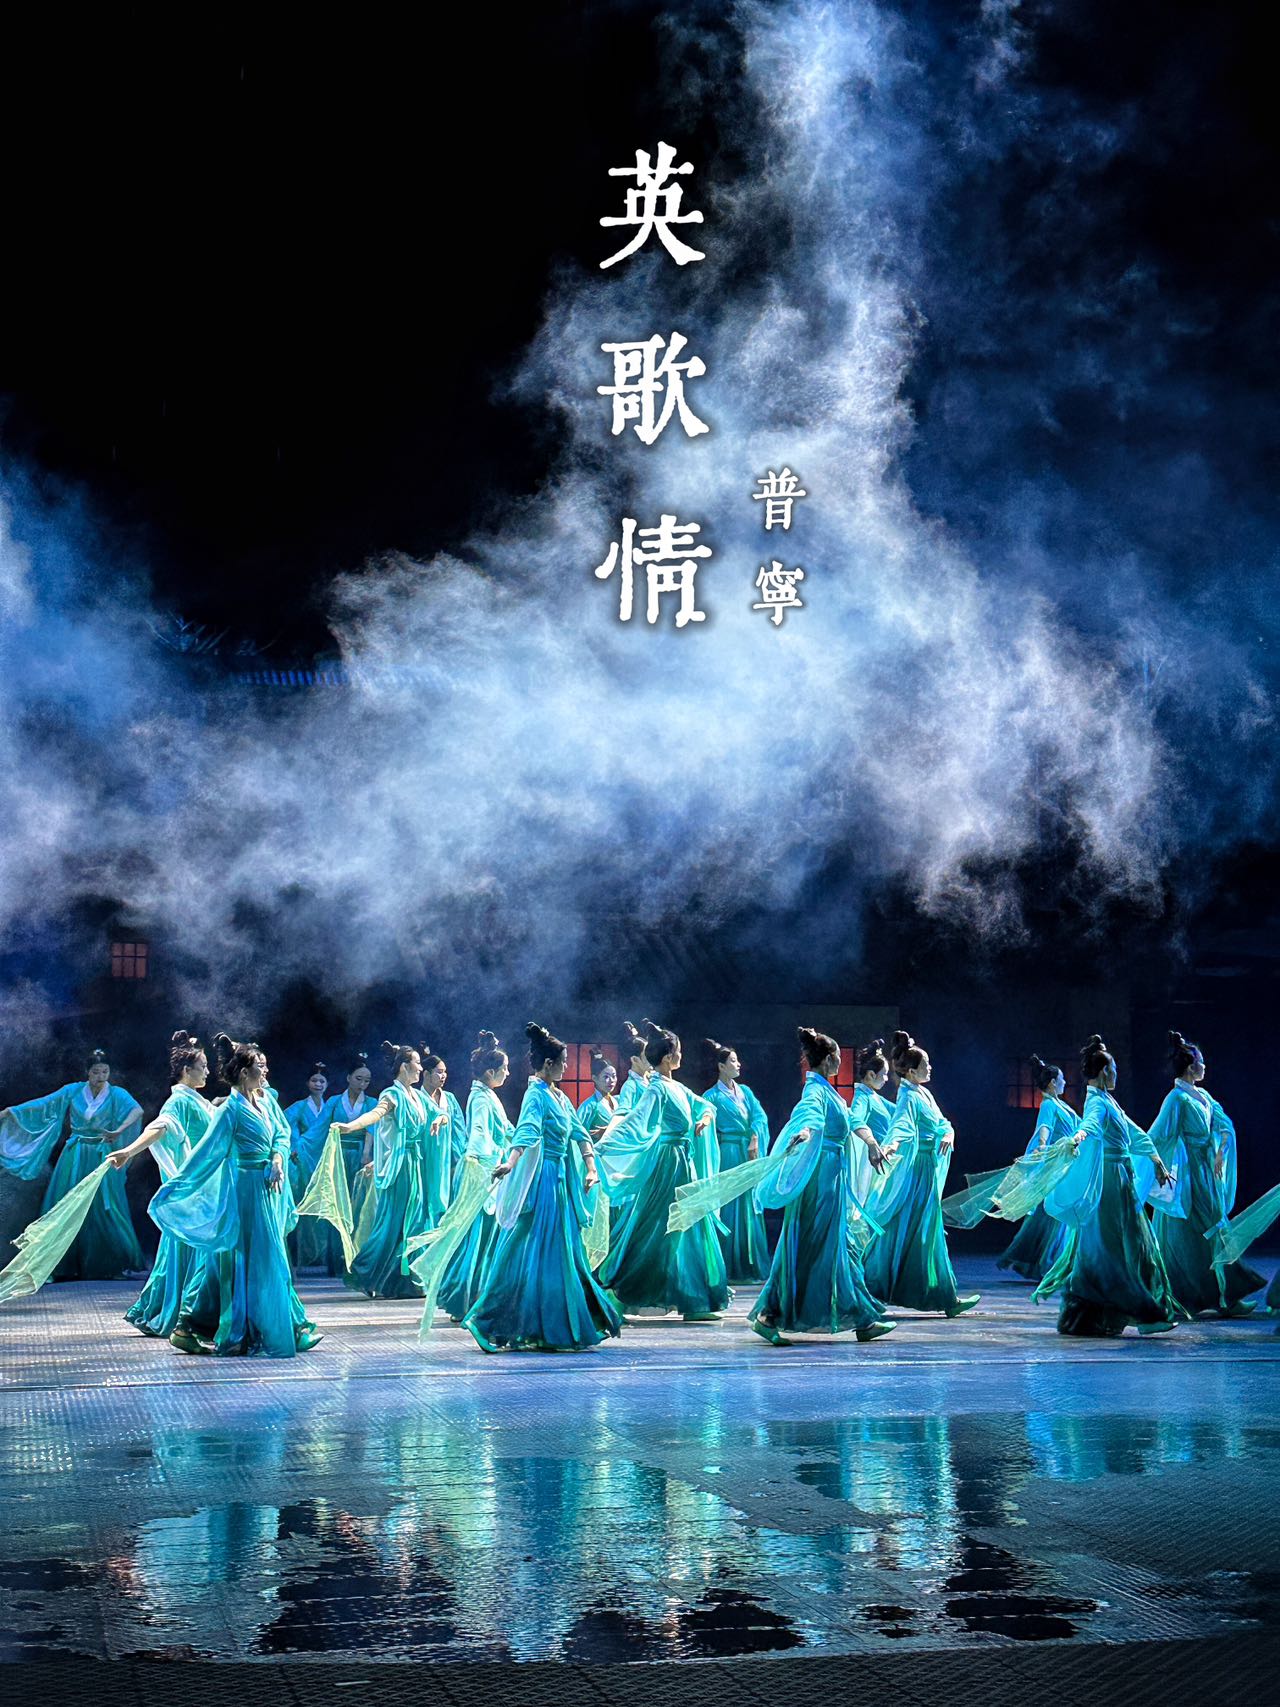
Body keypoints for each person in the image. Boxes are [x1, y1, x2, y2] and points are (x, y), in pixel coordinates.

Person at [150, 1034, 321, 1356]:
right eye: (259, 1067)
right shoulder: (229, 1110)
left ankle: (283, 1324)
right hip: (243, 1191)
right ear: (244, 1072)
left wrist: (277, 1158)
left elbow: (281, 1134)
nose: (265, 1071)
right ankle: (264, 1326)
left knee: (258, 1259)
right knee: (249, 1259)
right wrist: (174, 1188)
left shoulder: (265, 1102)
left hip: (266, 1190)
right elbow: (206, 1155)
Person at [460, 1023, 623, 1353]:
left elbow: (578, 1132)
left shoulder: (558, 1096)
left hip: (561, 1180)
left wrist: (591, 1168)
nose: (566, 1067)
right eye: (563, 1062)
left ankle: (557, 1322)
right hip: (544, 1180)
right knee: (529, 1250)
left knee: (561, 1253)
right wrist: (511, 1162)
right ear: (548, 1064)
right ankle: (487, 1319)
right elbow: (527, 1130)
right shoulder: (535, 1094)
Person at [749, 1028, 894, 1346]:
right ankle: (769, 1314)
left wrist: (871, 1142)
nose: (841, 1061)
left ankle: (863, 1319)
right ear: (828, 1059)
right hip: (820, 1183)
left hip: (832, 1180)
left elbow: (851, 1121)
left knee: (836, 1246)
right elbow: (808, 1116)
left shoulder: (828, 1091)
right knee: (810, 1246)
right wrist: (803, 1132)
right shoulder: (815, 1091)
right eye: (838, 1057)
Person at [1035, 1035, 1182, 1338]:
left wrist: (1155, 1159)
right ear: (1104, 1071)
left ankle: (1106, 1315)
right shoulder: (1097, 1102)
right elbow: (1089, 1124)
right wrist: (1077, 1138)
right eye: (1113, 1068)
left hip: (1121, 1178)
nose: (1116, 1073)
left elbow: (1134, 1132)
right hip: (1111, 1181)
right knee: (1116, 1247)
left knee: (1127, 1245)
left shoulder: (1108, 1100)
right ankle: (1146, 1312)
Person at [596, 1020, 730, 1322]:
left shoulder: (676, 1087)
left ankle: (696, 1300)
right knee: (656, 1228)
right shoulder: (656, 1089)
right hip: (668, 1165)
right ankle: (621, 1292)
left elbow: (704, 1106)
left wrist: (704, 1119)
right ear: (669, 1057)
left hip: (684, 1163)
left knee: (691, 1227)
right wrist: (604, 1146)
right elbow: (635, 1122)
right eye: (678, 1051)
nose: (681, 1055)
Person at [113, 1031, 221, 1345]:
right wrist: (129, 1151)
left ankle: (188, 1312)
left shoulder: (196, 1100)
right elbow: (160, 1127)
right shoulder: (178, 1101)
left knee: (187, 1248)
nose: (208, 1072)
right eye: (203, 1066)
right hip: (193, 1189)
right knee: (191, 1248)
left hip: (204, 1187)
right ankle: (183, 1314)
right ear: (187, 1070)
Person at [862, 1031, 979, 1317]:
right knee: (913, 1228)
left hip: (927, 1167)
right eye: (926, 1064)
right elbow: (901, 1126)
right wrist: (890, 1146)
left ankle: (942, 1295)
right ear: (912, 1072)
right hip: (917, 1170)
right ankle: (874, 1286)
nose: (931, 1068)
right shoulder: (907, 1096)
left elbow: (942, 1122)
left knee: (922, 1229)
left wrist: (948, 1134)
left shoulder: (923, 1093)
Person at [0, 1048, 143, 1279]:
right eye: (96, 1072)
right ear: (88, 1072)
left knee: (104, 1207)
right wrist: (12, 1112)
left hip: (101, 1155)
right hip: (75, 1155)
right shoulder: (74, 1090)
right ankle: (58, 1264)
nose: (101, 1076)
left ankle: (106, 1264)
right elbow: (45, 1104)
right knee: (65, 1202)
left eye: (105, 1071)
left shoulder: (116, 1094)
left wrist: (119, 1130)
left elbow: (137, 1111)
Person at [1147, 1031, 1262, 1317]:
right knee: (1198, 1231)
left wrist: (1221, 1149)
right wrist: (1155, 1163)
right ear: (1190, 1067)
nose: (1204, 1066)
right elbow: (1158, 1134)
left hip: (1206, 1170)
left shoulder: (1203, 1096)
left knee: (1214, 1225)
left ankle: (1226, 1295)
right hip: (1189, 1173)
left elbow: (1224, 1124)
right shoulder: (1176, 1099)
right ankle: (1192, 1296)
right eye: (1200, 1062)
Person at [335, 1040, 437, 1298]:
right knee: (394, 1221)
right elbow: (376, 1114)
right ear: (404, 1067)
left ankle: (403, 1281)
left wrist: (441, 1119)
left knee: (414, 1220)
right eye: (416, 1063)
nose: (420, 1068)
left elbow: (438, 1113)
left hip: (415, 1162)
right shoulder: (392, 1095)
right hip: (401, 1165)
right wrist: (351, 1126)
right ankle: (366, 1271)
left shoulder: (417, 1096)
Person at [437, 1032, 515, 1321]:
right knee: (477, 1238)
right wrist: (479, 1159)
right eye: (505, 1068)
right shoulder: (481, 1098)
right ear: (490, 1072)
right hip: (484, 1171)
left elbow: (505, 1129)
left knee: (483, 1239)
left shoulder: (487, 1095)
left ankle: (475, 1297)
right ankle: (464, 1297)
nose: (508, 1073)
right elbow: (479, 1132)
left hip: (490, 1167)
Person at [995, 1056, 1079, 1284]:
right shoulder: (1049, 1104)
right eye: (1061, 1079)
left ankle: (1046, 1259)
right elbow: (1045, 1126)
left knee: (1051, 1212)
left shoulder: (1060, 1104)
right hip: (1058, 1165)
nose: (1064, 1082)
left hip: (1067, 1163)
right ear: (1052, 1082)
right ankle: (1053, 1262)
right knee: (1055, 1211)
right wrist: (1042, 1145)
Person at [701, 1038, 771, 1282]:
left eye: (737, 1060)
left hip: (748, 1150)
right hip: (729, 1152)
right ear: (721, 1066)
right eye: (733, 1061)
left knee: (750, 1204)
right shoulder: (711, 1097)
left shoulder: (746, 1092)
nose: (738, 1064)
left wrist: (755, 1137)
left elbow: (760, 1116)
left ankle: (752, 1265)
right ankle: (730, 1266)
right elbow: (708, 1129)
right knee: (731, 1204)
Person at [283, 1064, 330, 1265]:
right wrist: (296, 1146)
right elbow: (286, 1124)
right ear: (307, 1083)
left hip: (325, 1158)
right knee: (305, 1203)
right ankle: (305, 1255)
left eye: (322, 1081)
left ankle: (325, 1256)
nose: (318, 1084)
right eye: (314, 1080)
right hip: (305, 1160)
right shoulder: (300, 1106)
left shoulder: (330, 1106)